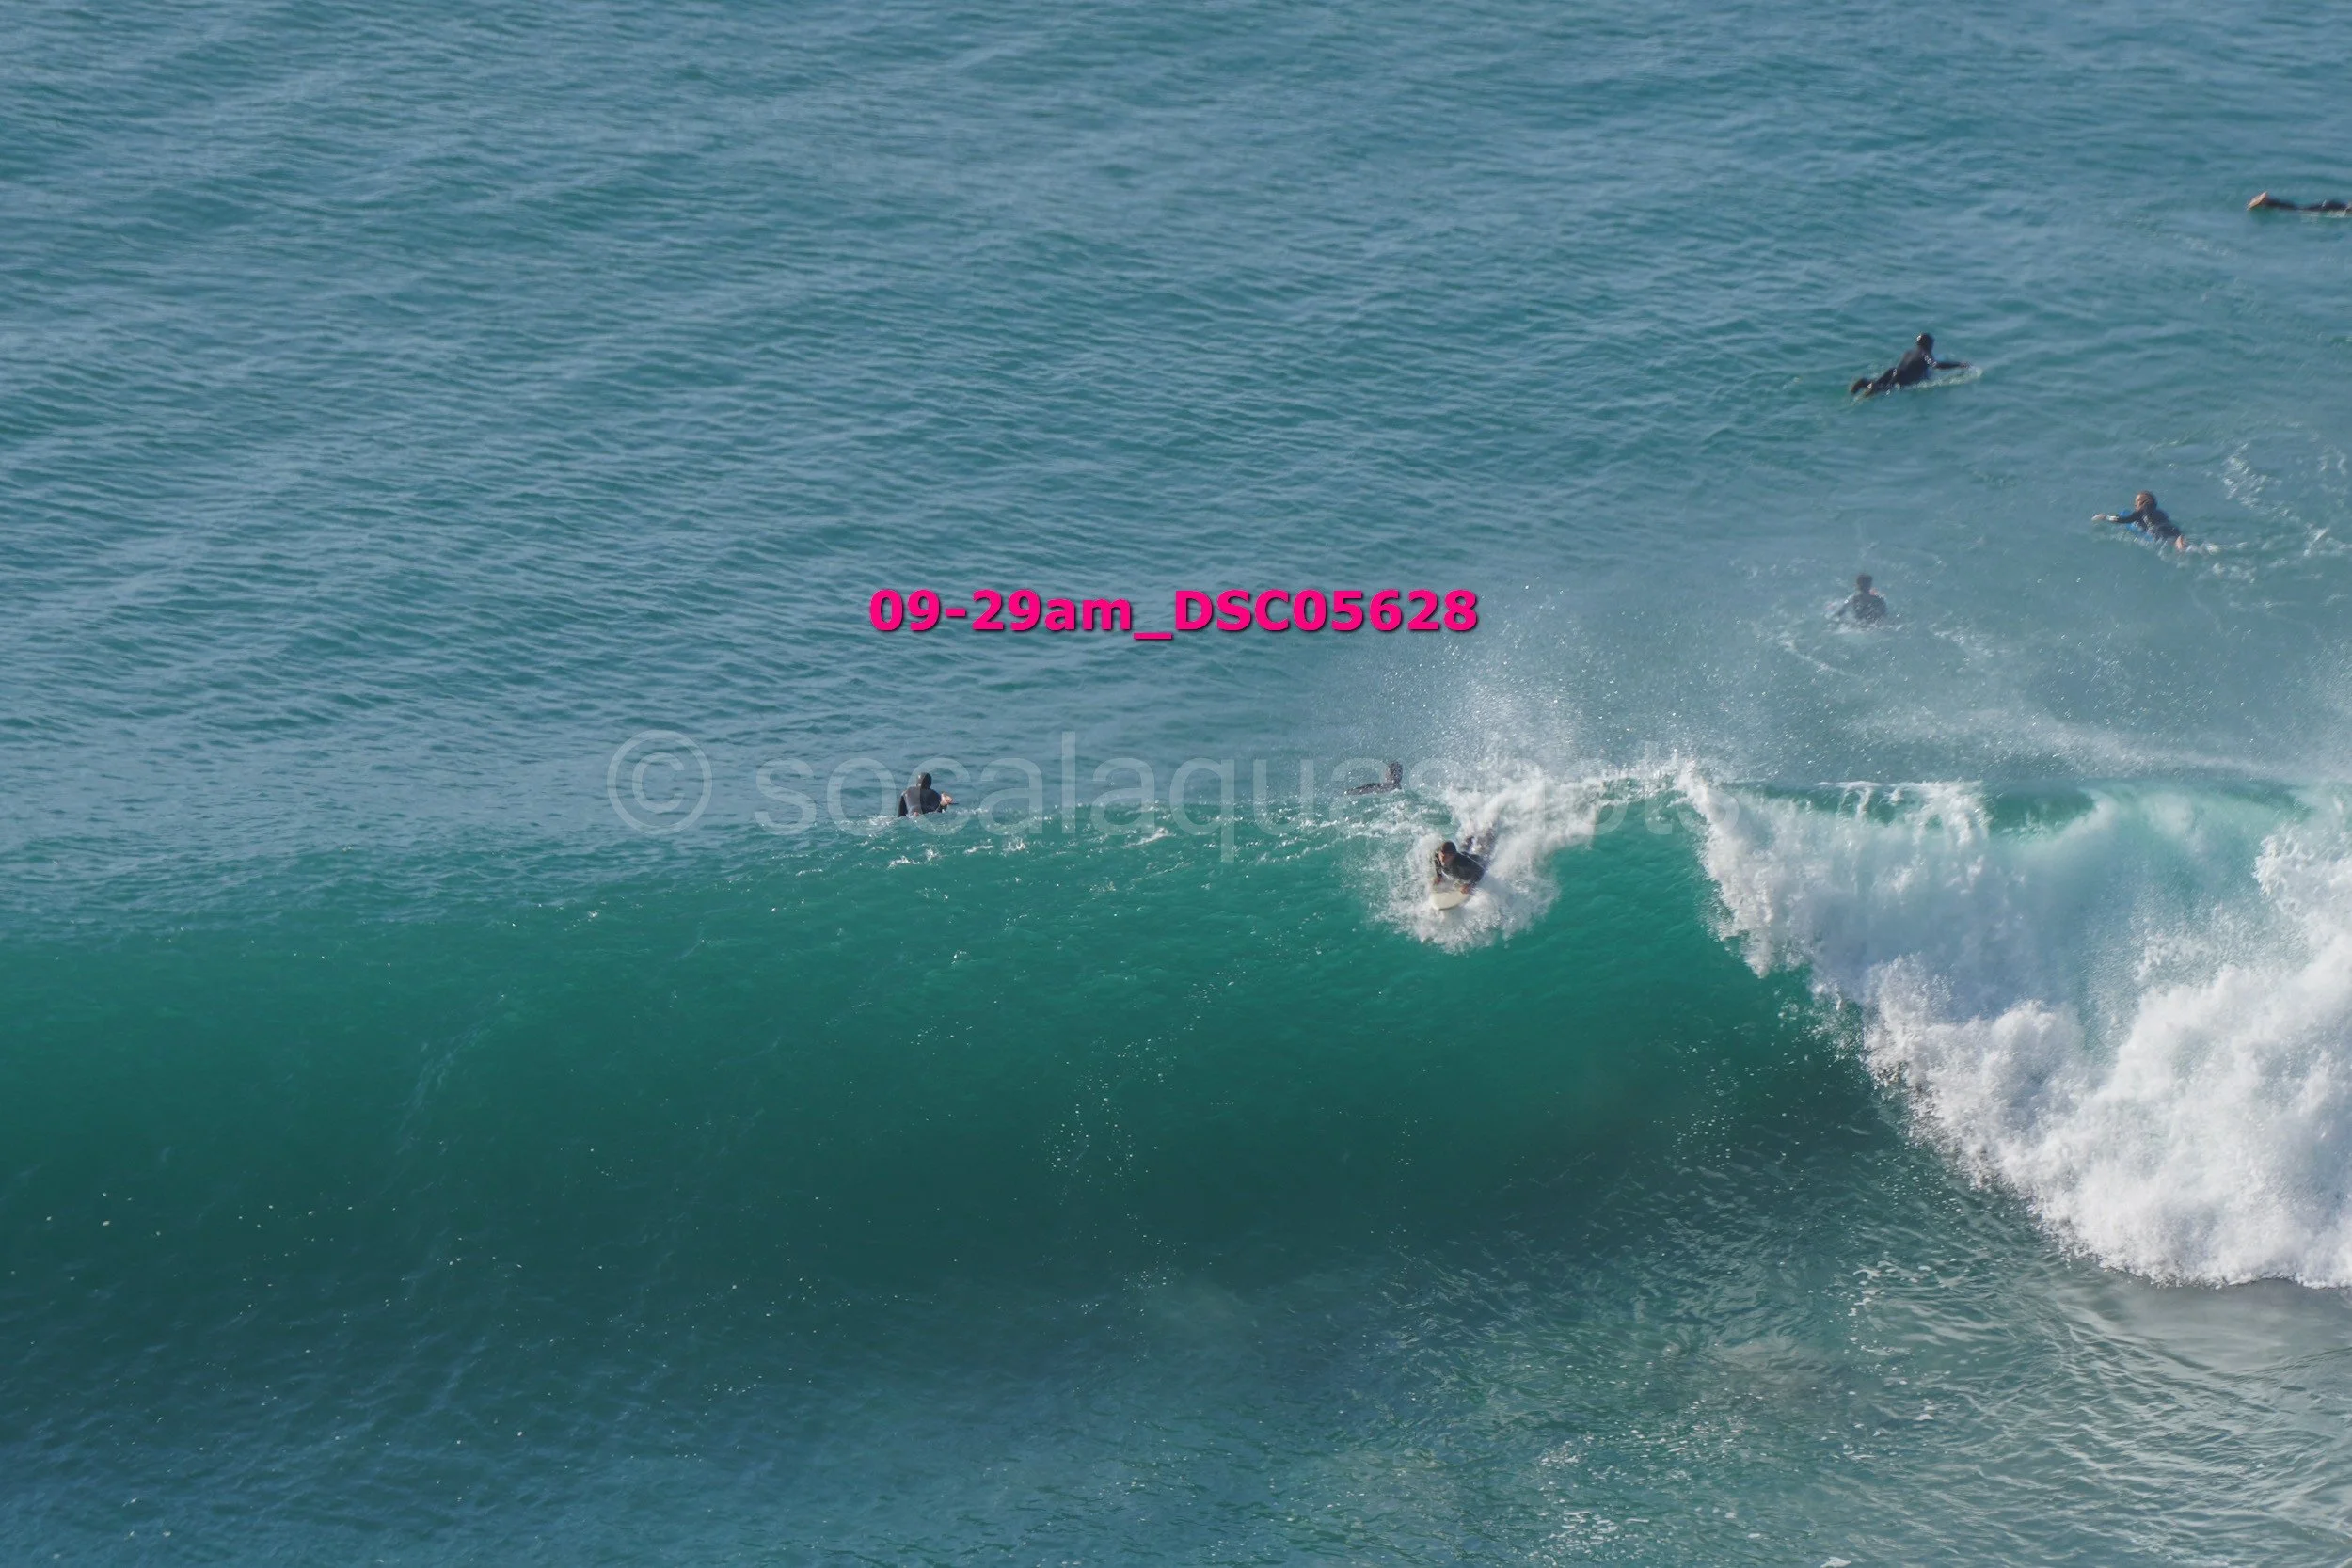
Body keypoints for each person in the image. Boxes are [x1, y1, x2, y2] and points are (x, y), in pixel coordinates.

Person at [1851, 333, 1970, 398]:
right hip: (1904, 377)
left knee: (1880, 384)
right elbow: (1935, 365)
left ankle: (1865, 383)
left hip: (1894, 371)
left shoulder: (1909, 352)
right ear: (1928, 344)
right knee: (1884, 389)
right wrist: (1958, 364)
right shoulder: (1925, 354)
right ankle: (1869, 388)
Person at [2094, 491, 2187, 551]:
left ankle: (2178, 543)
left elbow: (2125, 520)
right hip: (2172, 528)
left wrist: (2106, 517)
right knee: (2175, 538)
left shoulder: (2140, 512)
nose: (2135, 505)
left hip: (2157, 530)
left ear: (2144, 502)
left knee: (2165, 540)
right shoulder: (2160, 512)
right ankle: (2179, 540)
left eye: (2136, 503)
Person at [2249, 192, 2351, 214]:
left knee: (2299, 208)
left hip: (2331, 205)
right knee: (2299, 209)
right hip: (2330, 206)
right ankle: (2268, 202)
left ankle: (2270, 201)